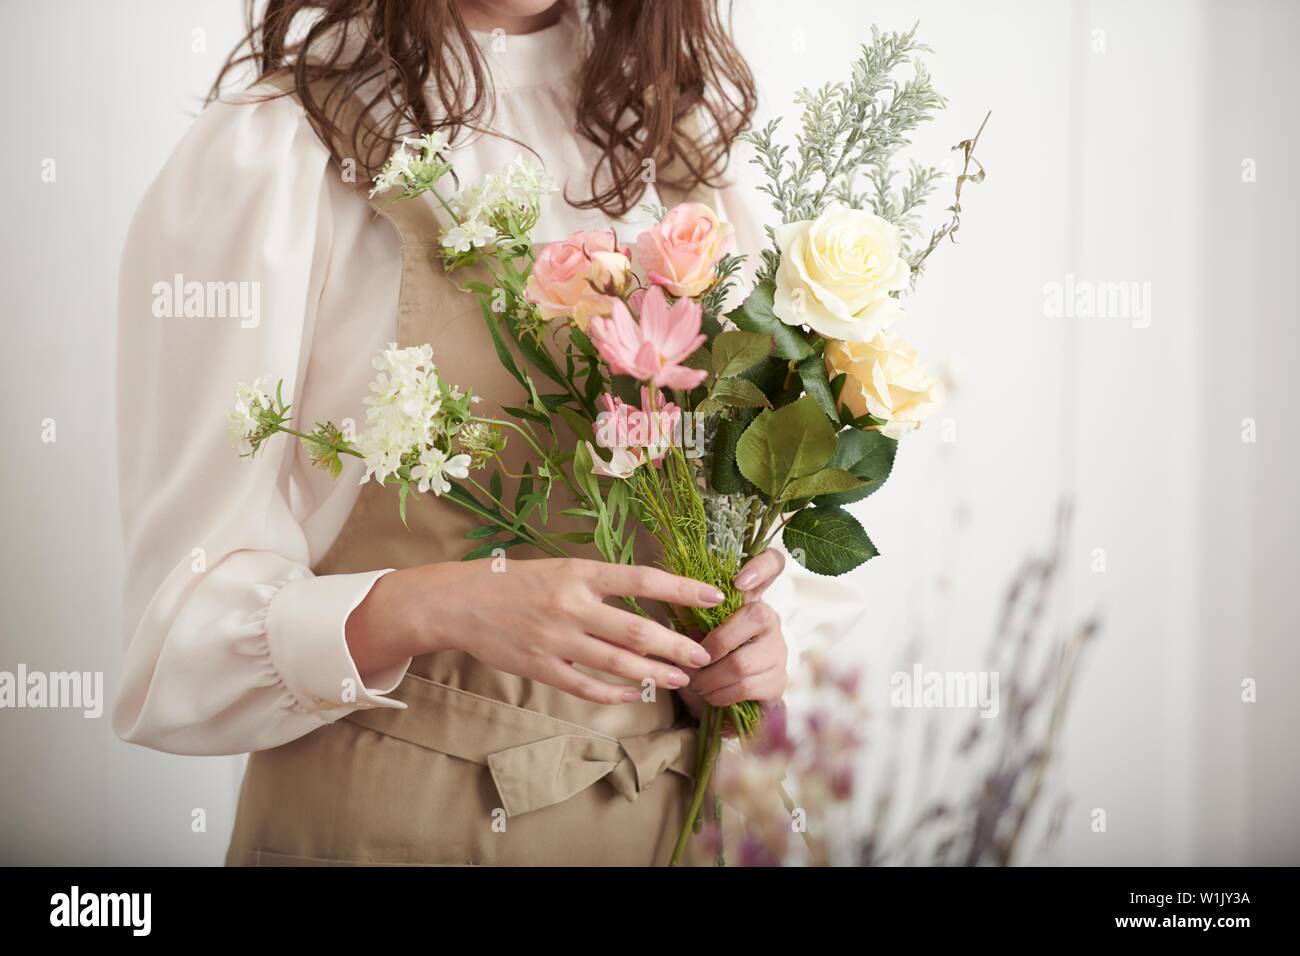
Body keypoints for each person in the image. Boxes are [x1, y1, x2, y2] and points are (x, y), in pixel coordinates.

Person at [115, 0, 790, 865]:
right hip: (391, 835)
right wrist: (432, 604)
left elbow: (745, 521)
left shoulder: (679, 138)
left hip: (674, 829)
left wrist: (754, 642)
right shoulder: (276, 151)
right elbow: (175, 648)